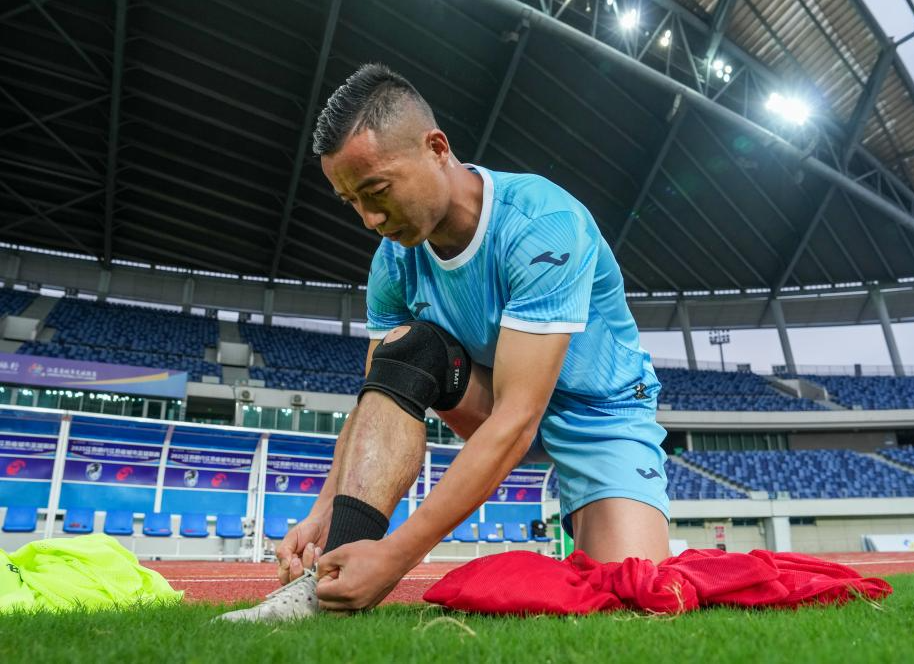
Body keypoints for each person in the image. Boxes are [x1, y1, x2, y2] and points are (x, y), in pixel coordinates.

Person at [216, 63, 670, 622]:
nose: (369, 219)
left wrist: (395, 557)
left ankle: (600, 520)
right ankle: (326, 586)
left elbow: (519, 419)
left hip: (599, 417)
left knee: (632, 598)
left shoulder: (543, 223)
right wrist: (323, 510)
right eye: (350, 200)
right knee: (407, 348)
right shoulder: (392, 263)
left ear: (437, 148)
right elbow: (375, 400)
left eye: (377, 191)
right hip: (490, 402)